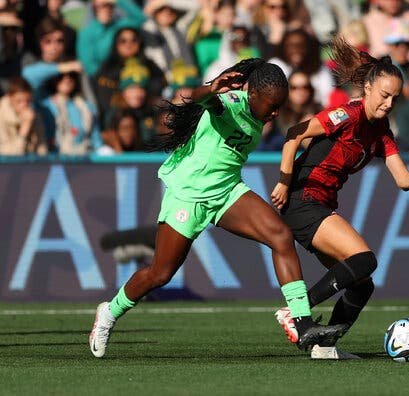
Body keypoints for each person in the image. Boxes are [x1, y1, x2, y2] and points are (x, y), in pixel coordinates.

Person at [88, 58, 346, 358]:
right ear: (252, 95)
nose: (275, 112)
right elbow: (203, 100)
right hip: (189, 195)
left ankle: (301, 322)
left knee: (280, 236)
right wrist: (211, 88)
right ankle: (109, 312)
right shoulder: (232, 102)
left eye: (280, 104)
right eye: (271, 104)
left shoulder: (261, 112)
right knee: (160, 273)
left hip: (226, 191)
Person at [270, 37, 409, 359]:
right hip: (302, 199)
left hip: (318, 205)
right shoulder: (346, 116)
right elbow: (295, 134)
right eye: (384, 95)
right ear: (367, 88)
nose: (389, 104)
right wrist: (283, 181)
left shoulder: (381, 133)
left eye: (394, 98)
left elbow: (403, 181)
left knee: (362, 283)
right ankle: (297, 311)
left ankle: (324, 348)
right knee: (365, 260)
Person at [0, 76, 47, 155]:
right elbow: (7, 155)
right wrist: (24, 129)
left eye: (28, 101)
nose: (24, 105)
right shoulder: (1, 115)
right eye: (19, 101)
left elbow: (42, 149)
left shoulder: (34, 115)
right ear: (9, 98)